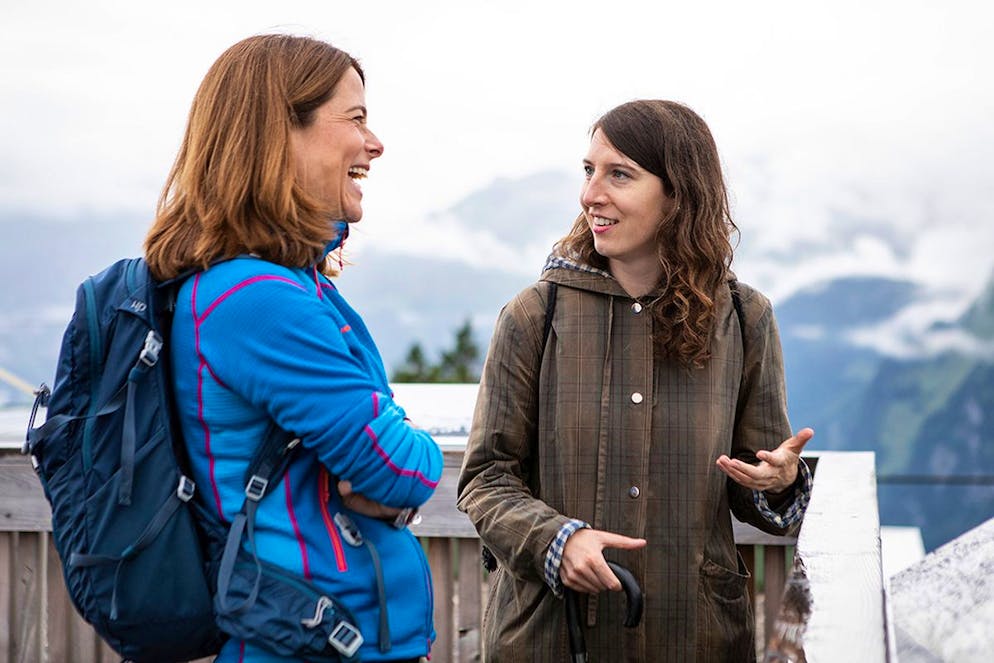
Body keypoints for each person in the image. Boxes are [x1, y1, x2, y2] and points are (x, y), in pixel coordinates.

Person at [457, 99, 814, 662]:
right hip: (550, 640)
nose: (590, 193)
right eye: (588, 170)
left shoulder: (745, 319)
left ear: (678, 194)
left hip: (696, 640)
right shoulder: (534, 315)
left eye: (619, 174)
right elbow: (485, 479)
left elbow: (757, 476)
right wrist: (558, 540)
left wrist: (777, 480)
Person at [144, 34, 442, 663]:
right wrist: (400, 441)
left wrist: (375, 445)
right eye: (356, 119)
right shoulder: (256, 298)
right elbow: (402, 468)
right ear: (282, 133)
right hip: (301, 641)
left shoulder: (280, 285)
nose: (375, 143)